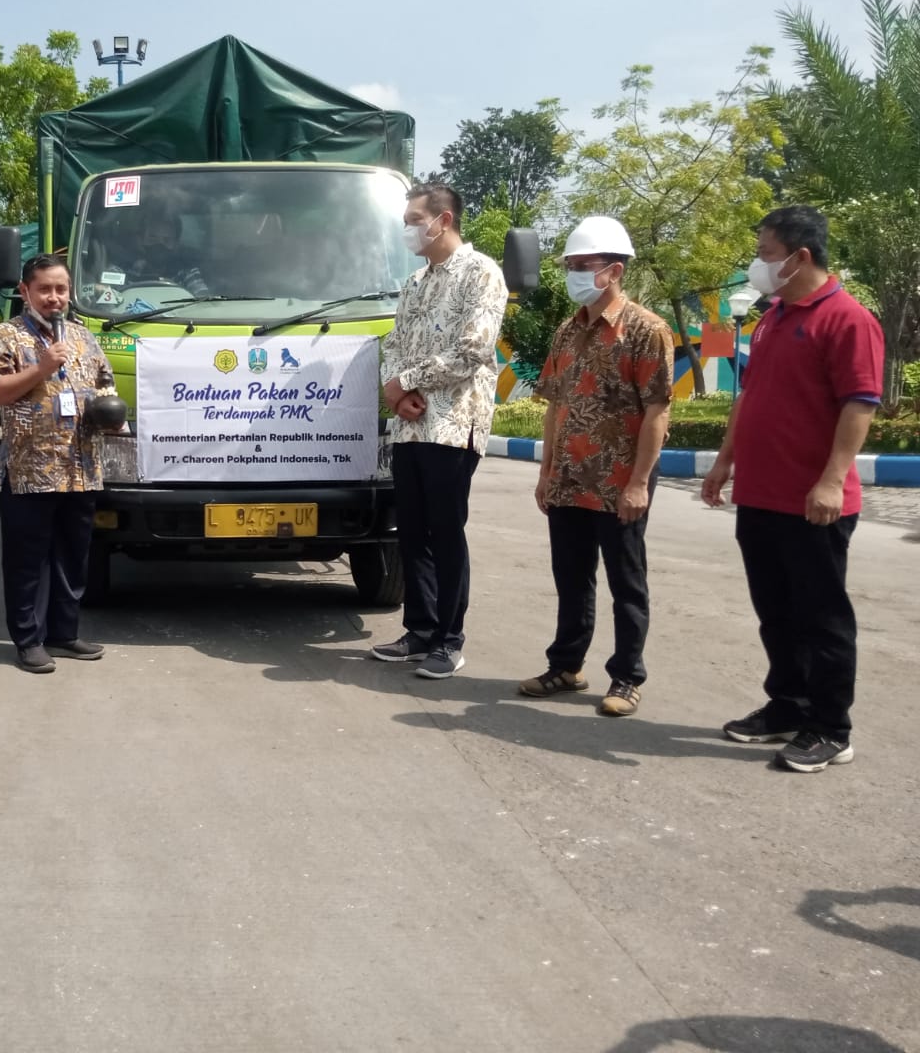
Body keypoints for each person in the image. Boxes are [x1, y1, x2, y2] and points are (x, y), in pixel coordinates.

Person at [702, 204, 884, 772]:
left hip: (814, 502)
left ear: (800, 257)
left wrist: (831, 480)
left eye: (765, 253)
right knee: (775, 613)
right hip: (760, 495)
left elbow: (860, 404)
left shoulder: (847, 319)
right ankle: (787, 705)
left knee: (821, 619)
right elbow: (749, 397)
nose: (757, 264)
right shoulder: (774, 316)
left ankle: (830, 727)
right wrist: (724, 462)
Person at [519, 217, 673, 717]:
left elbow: (657, 410)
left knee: (626, 583)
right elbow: (555, 407)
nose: (574, 274)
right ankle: (566, 666)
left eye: (583, 265)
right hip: (568, 479)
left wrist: (639, 483)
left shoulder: (647, 330)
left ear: (614, 270)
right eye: (570, 265)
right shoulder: (568, 332)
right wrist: (545, 473)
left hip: (619, 482)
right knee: (571, 579)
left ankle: (627, 677)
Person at [372, 183, 508, 679]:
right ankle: (419, 630)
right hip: (409, 427)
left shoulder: (481, 273)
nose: (408, 229)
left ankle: (449, 640)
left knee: (446, 532)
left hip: (453, 426)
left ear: (443, 220)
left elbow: (474, 349)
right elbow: (393, 343)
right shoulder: (415, 283)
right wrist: (396, 390)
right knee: (411, 532)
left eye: (414, 219)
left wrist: (407, 381)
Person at [0, 255, 116, 673]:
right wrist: (41, 368)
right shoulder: (5, 337)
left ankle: (64, 633)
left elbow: (104, 384)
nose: (54, 298)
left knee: (72, 558)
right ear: (25, 291)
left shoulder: (83, 337)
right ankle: (28, 640)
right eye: (44, 289)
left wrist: (111, 411)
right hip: (28, 473)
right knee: (28, 562)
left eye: (61, 289)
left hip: (80, 469)